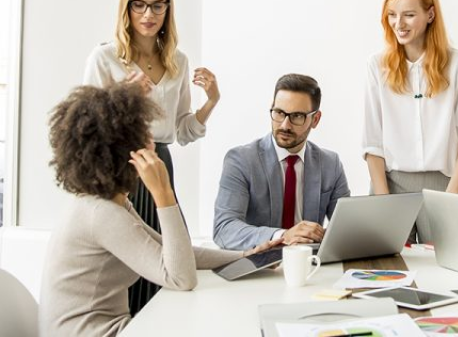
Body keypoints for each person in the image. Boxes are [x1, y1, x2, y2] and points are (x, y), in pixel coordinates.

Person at [39, 84, 280, 337]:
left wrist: (247, 256)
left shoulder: (109, 204)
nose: (153, 142)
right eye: (144, 135)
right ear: (124, 150)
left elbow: (174, 253)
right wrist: (163, 193)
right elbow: (181, 278)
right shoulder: (101, 214)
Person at [83, 0, 221, 314]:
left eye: (158, 5)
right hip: (121, 171)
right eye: (140, 5)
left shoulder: (178, 61)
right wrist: (124, 98)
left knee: (172, 261)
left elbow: (183, 131)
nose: (149, 14)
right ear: (126, 8)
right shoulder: (105, 57)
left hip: (160, 167)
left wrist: (211, 101)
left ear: (168, 9)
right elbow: (85, 128)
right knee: (129, 267)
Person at [363, 0, 458, 244]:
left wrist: (450, 199)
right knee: (386, 273)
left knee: (443, 271)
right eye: (392, 14)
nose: (398, 24)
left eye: (408, 15)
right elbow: (372, 143)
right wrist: (383, 202)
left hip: (443, 185)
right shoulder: (377, 65)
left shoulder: (457, 63)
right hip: (390, 185)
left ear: (430, 14)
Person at [213, 74, 350, 251]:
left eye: (297, 116)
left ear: (315, 120)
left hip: (310, 263)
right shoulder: (241, 160)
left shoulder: (331, 164)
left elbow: (345, 229)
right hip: (260, 265)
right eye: (279, 113)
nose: (285, 125)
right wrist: (282, 235)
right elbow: (224, 229)